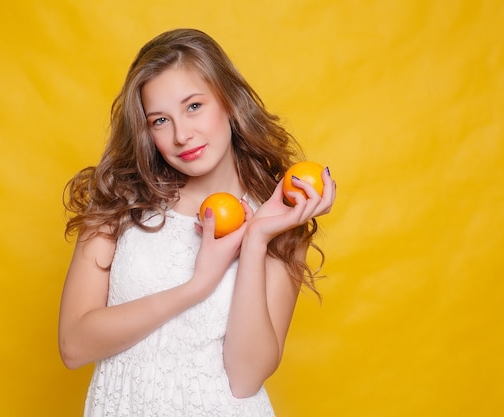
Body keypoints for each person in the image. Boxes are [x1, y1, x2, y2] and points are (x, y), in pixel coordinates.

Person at [58, 28, 336, 417]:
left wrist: (255, 241)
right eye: (159, 120)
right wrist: (196, 286)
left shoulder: (280, 215)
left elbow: (245, 378)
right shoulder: (117, 203)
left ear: (228, 101)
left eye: (193, 107)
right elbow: (74, 345)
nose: (181, 135)